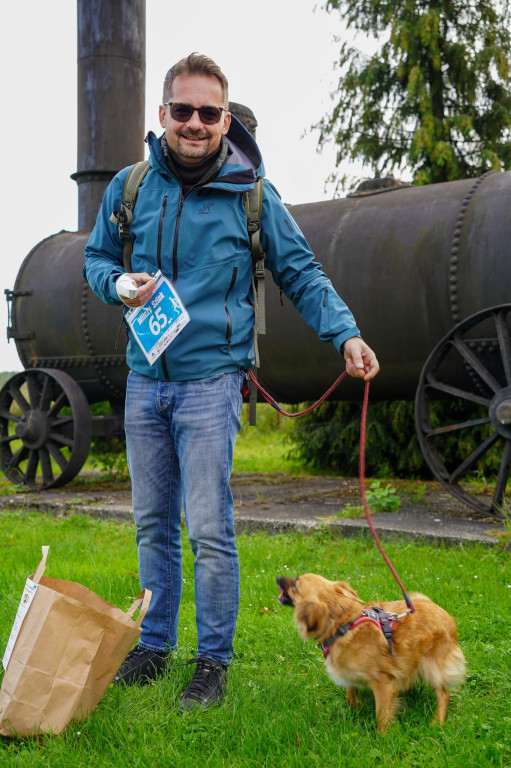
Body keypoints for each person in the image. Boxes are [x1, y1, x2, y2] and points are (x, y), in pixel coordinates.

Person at [83, 52, 379, 711]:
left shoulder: (251, 194)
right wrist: (118, 283)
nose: (194, 123)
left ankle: (211, 661)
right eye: (181, 111)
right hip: (144, 380)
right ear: (162, 115)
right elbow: (97, 258)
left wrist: (346, 333)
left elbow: (300, 270)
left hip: (211, 385)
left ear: (223, 120)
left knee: (208, 529)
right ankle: (154, 645)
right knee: (151, 523)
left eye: (207, 113)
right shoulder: (130, 189)